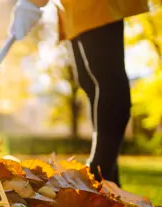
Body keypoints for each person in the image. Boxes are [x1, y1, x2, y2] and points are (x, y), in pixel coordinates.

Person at [8, 0, 150, 187]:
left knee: (107, 78)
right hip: (70, 7)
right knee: (88, 82)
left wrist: (32, 2)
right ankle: (110, 182)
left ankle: (98, 173)